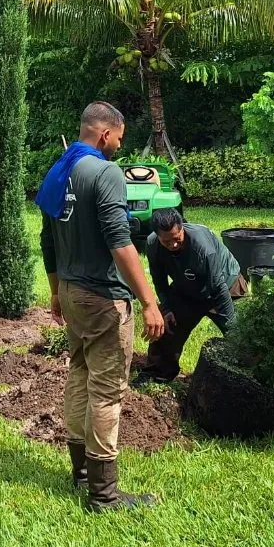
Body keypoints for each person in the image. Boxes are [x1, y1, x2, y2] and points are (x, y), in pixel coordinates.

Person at [38, 101, 165, 512]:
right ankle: (103, 495)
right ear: (105, 134)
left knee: (78, 373)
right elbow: (120, 242)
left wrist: (56, 292)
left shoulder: (59, 172)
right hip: (102, 298)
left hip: (72, 293)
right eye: (119, 140)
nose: (118, 148)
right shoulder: (105, 172)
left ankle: (80, 474)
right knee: (107, 390)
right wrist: (149, 301)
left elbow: (47, 241)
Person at [144, 208, 248, 381]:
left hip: (226, 286)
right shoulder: (153, 244)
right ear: (157, 236)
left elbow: (218, 289)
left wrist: (233, 329)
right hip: (186, 288)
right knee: (166, 326)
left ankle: (251, 378)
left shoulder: (203, 248)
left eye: (176, 238)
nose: (173, 245)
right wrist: (167, 307)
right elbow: (159, 279)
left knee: (242, 333)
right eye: (166, 241)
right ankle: (158, 373)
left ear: (182, 227)